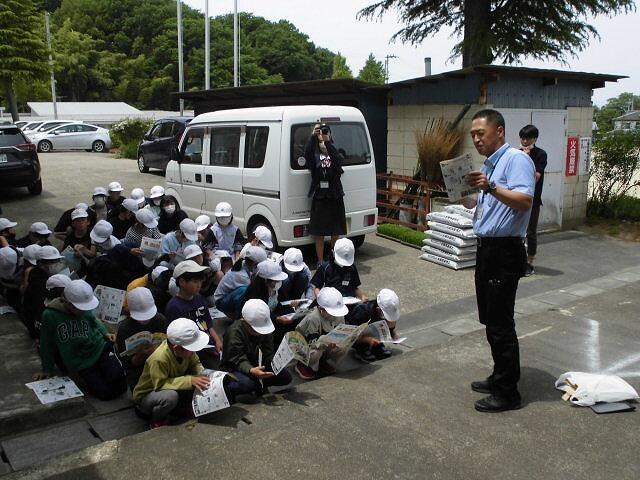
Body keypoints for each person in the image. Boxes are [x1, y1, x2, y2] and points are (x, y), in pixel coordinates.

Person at [463, 109, 535, 413]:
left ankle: (508, 392)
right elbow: (486, 206)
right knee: (491, 319)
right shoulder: (489, 165)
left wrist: (490, 186)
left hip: (504, 250)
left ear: (500, 131)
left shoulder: (516, 160)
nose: (477, 139)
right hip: (487, 249)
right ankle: (498, 376)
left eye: (481, 133)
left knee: (501, 323)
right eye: (473, 135)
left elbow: (525, 200)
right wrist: (463, 193)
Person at [34, 280, 127, 400]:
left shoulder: (85, 310)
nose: (84, 311)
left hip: (99, 348)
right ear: (68, 303)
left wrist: (105, 333)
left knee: (119, 381)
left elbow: (94, 320)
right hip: (81, 361)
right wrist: (47, 369)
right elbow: (46, 343)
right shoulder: (50, 315)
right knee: (105, 393)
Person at [133, 318, 210, 428]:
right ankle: (157, 419)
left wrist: (202, 373)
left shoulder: (186, 352)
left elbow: (195, 363)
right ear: (177, 348)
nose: (194, 352)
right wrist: (190, 380)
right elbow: (160, 385)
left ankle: (180, 409)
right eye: (191, 349)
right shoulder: (159, 358)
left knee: (199, 381)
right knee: (171, 397)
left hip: (172, 384)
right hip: (149, 395)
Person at [221, 299, 292, 400]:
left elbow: (268, 352)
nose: (259, 333)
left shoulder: (266, 329)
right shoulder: (233, 333)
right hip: (235, 367)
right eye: (255, 330)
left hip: (259, 364)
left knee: (285, 376)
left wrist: (279, 360)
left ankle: (259, 384)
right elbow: (238, 359)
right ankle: (228, 389)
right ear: (244, 322)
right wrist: (251, 370)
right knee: (248, 384)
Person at [165, 260, 223, 368]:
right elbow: (178, 340)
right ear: (182, 282)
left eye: (200, 281)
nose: (199, 285)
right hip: (192, 352)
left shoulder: (199, 298)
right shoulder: (174, 307)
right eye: (195, 282)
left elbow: (208, 323)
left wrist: (217, 340)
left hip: (208, 344)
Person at [304, 123, 347, 267]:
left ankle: (334, 258)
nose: (322, 134)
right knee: (319, 232)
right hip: (320, 196)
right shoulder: (314, 154)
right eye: (320, 132)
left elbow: (338, 162)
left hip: (335, 195)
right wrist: (313, 137)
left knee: (336, 230)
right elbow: (307, 154)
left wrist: (327, 142)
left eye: (324, 131)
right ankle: (320, 260)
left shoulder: (335, 150)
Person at [115, 287, 168, 392]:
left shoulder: (160, 320)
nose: (145, 319)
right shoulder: (125, 329)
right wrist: (141, 355)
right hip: (138, 372)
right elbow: (127, 362)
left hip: (162, 364)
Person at [294, 287, 349, 380]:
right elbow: (312, 343)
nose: (334, 315)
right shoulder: (313, 318)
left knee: (343, 347)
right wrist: (324, 342)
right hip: (306, 345)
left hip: (325, 345)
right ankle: (302, 365)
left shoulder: (339, 315)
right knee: (316, 351)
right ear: (321, 308)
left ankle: (322, 361)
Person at [519, 125, 548, 276]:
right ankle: (518, 260)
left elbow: (535, 177)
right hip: (516, 198)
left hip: (533, 200)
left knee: (531, 232)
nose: (524, 141)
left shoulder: (540, 154)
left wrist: (526, 157)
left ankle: (529, 262)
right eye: (522, 138)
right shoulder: (516, 153)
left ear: (534, 139)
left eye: (528, 139)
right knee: (517, 232)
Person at [346, 289, 400, 362]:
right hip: (359, 337)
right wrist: (367, 340)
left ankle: (376, 346)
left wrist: (393, 333)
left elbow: (390, 323)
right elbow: (351, 336)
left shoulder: (382, 312)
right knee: (361, 342)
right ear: (378, 309)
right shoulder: (361, 312)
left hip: (375, 336)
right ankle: (362, 349)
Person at [213, 246, 267, 319]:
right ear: (254, 264)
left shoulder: (244, 264)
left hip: (228, 296)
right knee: (245, 291)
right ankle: (239, 317)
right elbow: (252, 292)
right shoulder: (242, 276)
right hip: (221, 302)